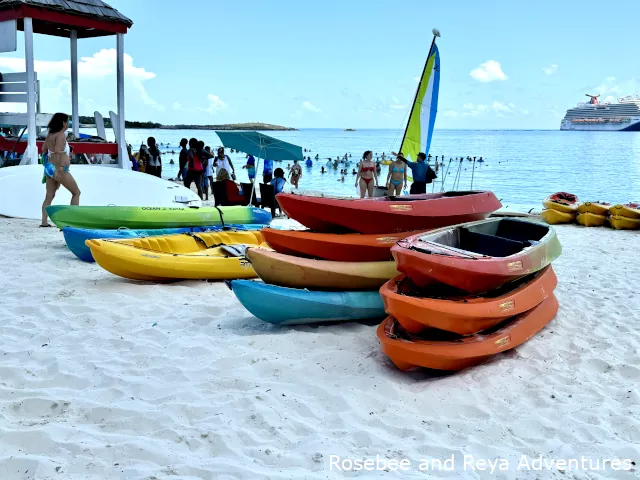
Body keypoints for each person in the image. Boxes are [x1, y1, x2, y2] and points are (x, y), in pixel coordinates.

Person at [40, 113, 80, 227]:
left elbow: (44, 149)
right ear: (63, 123)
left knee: (49, 195)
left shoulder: (50, 134)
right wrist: (59, 169)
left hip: (49, 167)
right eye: (67, 121)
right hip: (59, 168)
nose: (68, 124)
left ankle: (44, 222)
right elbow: (58, 151)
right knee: (76, 193)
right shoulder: (61, 135)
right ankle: (74, 221)